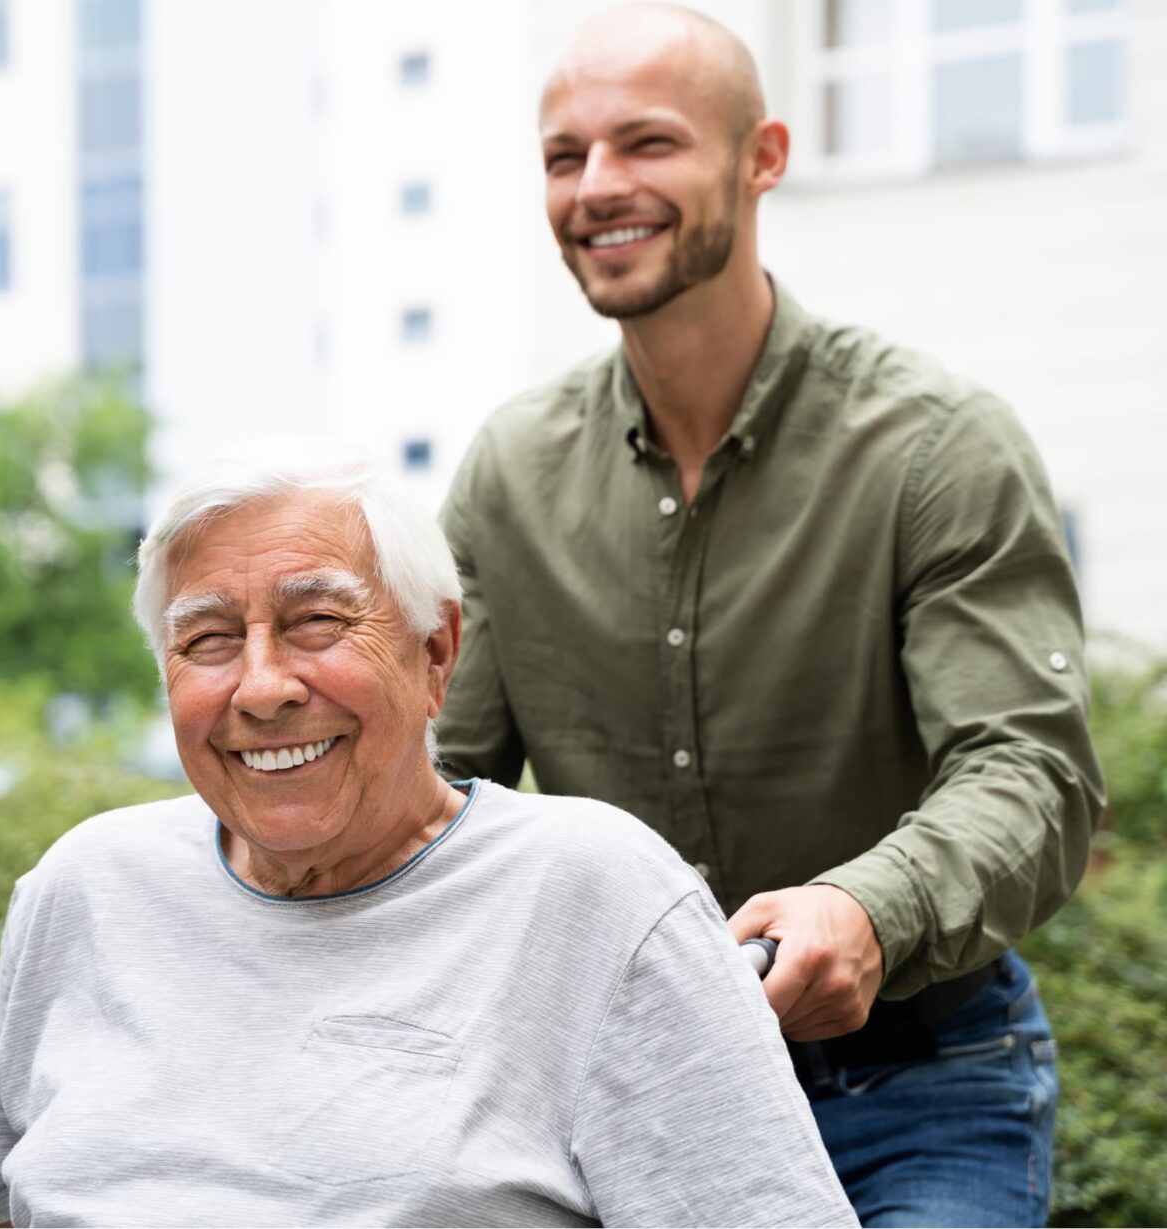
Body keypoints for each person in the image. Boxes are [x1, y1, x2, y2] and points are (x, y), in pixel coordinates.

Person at [436, 5, 1104, 1227]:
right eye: (564, 155)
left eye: (648, 143)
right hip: (623, 1092)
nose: (599, 186)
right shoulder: (505, 473)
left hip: (919, 1084)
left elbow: (1034, 772)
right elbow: (436, 793)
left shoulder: (935, 447)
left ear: (764, 156)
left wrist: (867, 907)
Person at [0, 441, 857, 1228]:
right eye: (210, 639)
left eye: (317, 621)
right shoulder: (81, 888)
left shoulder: (596, 894)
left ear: (435, 654)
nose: (263, 686)